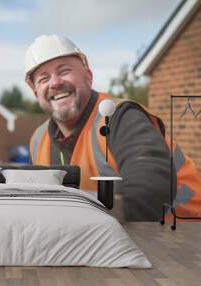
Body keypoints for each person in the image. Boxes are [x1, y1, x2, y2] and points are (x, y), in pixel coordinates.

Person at [25, 34, 201, 221]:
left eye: (64, 71)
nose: (55, 83)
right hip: (118, 236)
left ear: (88, 77)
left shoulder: (119, 116)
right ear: (37, 94)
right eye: (43, 79)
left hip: (185, 230)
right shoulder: (38, 139)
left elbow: (150, 189)